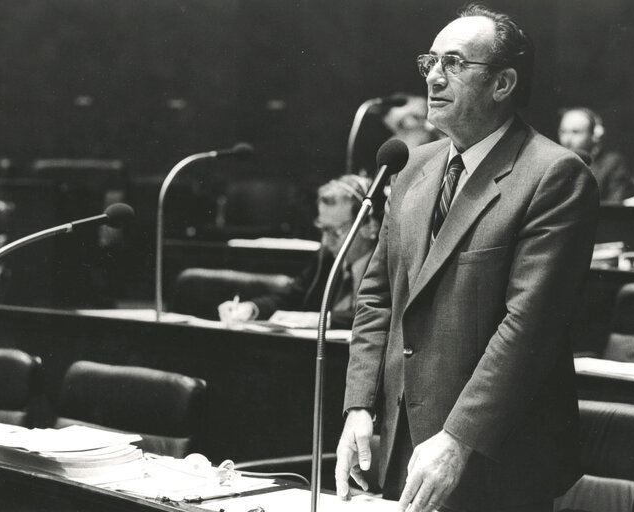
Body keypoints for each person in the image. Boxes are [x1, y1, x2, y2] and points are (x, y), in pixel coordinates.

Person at [335, 4, 599, 512]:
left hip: (493, 458)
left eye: (454, 63)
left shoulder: (554, 175)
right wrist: (358, 407)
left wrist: (458, 438)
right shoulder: (411, 166)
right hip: (398, 446)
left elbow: (528, 326)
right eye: (430, 61)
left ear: (502, 84)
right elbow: (375, 299)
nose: (434, 75)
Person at [217, 174, 379, 329]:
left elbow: (381, 315)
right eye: (323, 229)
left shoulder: (386, 264)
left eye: (335, 232)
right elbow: (291, 297)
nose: (325, 241)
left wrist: (320, 320)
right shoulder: (325, 257)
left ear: (369, 226)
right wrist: (251, 308)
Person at [558, 107, 634, 201]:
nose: (567, 140)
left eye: (576, 132)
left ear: (595, 135)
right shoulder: (556, 163)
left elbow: (614, 206)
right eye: (563, 131)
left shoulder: (613, 163)